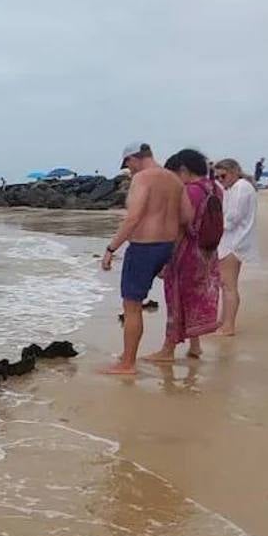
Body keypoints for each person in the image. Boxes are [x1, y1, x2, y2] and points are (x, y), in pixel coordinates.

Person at [99, 142, 183, 375]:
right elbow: (187, 217)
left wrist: (111, 249)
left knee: (132, 306)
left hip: (144, 246)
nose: (130, 171)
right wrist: (170, 253)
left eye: (128, 166)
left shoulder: (143, 179)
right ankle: (129, 356)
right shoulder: (175, 180)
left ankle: (127, 363)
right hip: (166, 246)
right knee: (135, 304)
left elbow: (133, 217)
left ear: (133, 159)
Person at [145, 150, 221, 362]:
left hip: (187, 252)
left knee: (176, 299)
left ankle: (168, 350)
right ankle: (195, 345)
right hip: (208, 252)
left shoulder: (189, 192)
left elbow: (178, 227)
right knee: (194, 298)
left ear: (184, 170)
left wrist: (165, 260)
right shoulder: (214, 188)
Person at [213, 158, 259, 336]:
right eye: (217, 177)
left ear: (233, 172)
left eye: (222, 176)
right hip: (232, 241)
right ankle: (224, 321)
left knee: (229, 286)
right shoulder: (236, 188)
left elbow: (233, 218)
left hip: (234, 243)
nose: (220, 180)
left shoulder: (241, 187)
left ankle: (228, 325)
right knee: (226, 285)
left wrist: (213, 226)